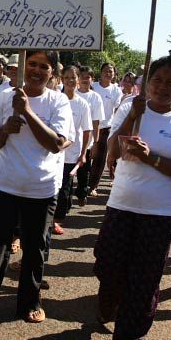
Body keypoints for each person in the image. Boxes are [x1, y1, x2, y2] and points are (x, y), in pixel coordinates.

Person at [96, 51, 171, 340]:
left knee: (144, 278)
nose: (163, 87)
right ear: (147, 83)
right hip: (122, 204)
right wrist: (130, 117)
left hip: (159, 211)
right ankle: (109, 301)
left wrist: (151, 156)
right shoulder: (132, 109)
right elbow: (111, 153)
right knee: (109, 266)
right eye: (157, 80)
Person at [0, 50, 73, 340]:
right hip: (5, 185)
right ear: (23, 67)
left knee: (35, 250)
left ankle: (29, 300)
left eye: (44, 66)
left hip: (42, 189)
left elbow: (55, 144)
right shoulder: (5, 95)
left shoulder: (58, 101)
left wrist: (26, 112)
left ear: (53, 72)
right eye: (32, 64)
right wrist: (4, 130)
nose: (36, 70)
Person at [54, 65, 92, 235]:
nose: (70, 80)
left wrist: (83, 153)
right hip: (53, 153)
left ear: (78, 80)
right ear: (62, 79)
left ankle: (57, 218)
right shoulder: (55, 99)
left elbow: (87, 130)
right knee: (53, 189)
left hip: (71, 155)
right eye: (66, 77)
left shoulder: (82, 104)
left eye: (73, 77)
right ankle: (51, 221)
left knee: (64, 191)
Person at [89, 62, 122, 196]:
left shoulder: (116, 90)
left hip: (105, 127)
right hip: (88, 126)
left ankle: (92, 186)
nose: (108, 73)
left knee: (99, 159)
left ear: (114, 74)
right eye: (106, 71)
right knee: (86, 156)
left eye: (111, 71)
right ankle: (81, 182)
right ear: (101, 72)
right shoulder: (93, 86)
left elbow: (116, 110)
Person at [75, 66, 105, 205]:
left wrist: (95, 143)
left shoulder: (95, 97)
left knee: (84, 170)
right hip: (71, 140)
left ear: (92, 80)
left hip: (87, 141)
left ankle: (82, 193)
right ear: (78, 78)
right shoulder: (71, 94)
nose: (85, 79)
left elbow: (96, 122)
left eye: (88, 77)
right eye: (82, 76)